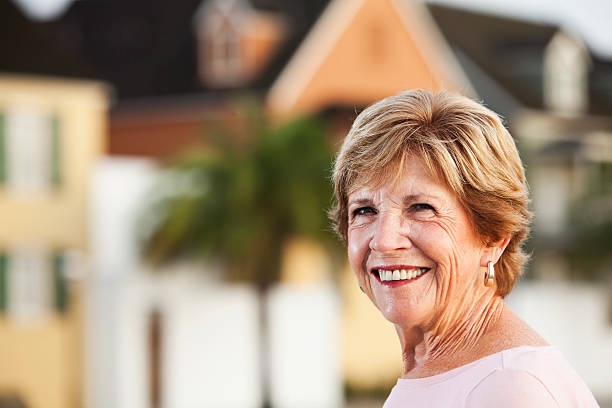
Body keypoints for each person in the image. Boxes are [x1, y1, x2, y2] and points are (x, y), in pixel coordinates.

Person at [330, 90, 599, 407]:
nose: (384, 240)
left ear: (494, 236)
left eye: (421, 207)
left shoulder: (511, 388)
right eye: (364, 211)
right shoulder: (443, 372)